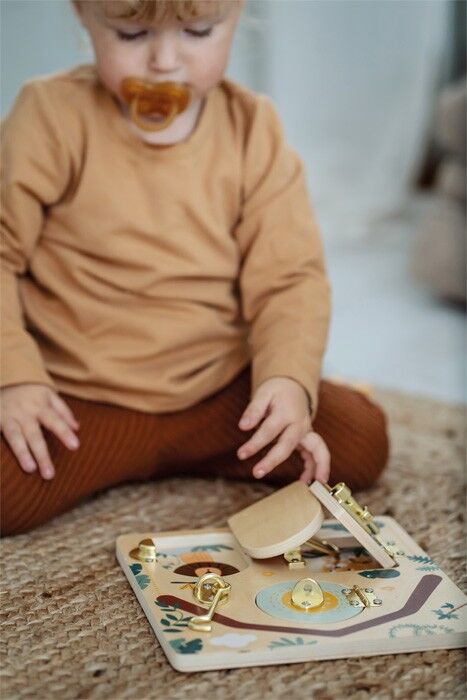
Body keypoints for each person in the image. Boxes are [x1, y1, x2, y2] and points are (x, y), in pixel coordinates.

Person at [0, 0, 389, 536]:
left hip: (217, 396)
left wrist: (287, 381)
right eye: (132, 35)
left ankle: (215, 436)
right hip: (78, 399)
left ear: (237, 15)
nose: (164, 61)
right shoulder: (50, 115)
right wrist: (15, 378)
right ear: (83, 14)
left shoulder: (252, 129)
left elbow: (289, 278)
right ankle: (113, 447)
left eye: (198, 31)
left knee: (362, 443)